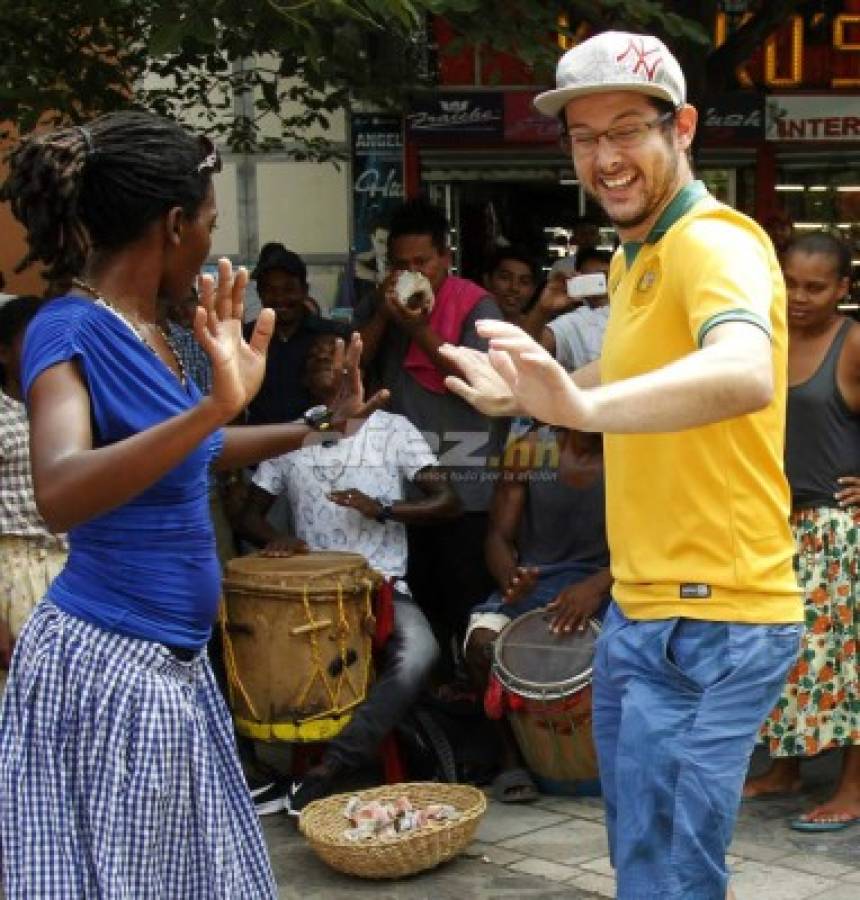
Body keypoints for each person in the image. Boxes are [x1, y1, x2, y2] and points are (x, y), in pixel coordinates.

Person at [439, 30, 803, 900]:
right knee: (644, 866)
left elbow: (745, 369)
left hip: (711, 618)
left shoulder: (713, 242)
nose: (603, 157)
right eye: (583, 136)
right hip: (651, 611)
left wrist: (581, 410)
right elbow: (628, 373)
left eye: (625, 129)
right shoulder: (641, 256)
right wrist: (532, 392)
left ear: (681, 127)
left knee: (671, 876)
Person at [0, 110, 385, 898]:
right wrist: (212, 407)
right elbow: (62, 488)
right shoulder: (66, 328)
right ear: (174, 225)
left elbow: (196, 452)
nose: (213, 244)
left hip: (172, 670)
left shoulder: (162, 333)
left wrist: (319, 426)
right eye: (209, 223)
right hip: (109, 669)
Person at [238, 332, 460, 815]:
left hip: (381, 585)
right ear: (302, 377)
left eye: (334, 356)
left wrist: (381, 508)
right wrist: (272, 538)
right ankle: (300, 772)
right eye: (314, 357)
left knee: (421, 653)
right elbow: (247, 514)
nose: (324, 363)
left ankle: (332, 766)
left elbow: (446, 501)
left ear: (357, 371)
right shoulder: (292, 435)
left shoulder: (393, 429)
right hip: (310, 595)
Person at [358, 198, 509, 673]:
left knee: (462, 593)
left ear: (445, 257)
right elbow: (355, 364)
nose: (412, 272)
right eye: (400, 264)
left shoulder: (475, 304)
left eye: (421, 262)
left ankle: (471, 694)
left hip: (466, 479)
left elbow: (477, 377)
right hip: (402, 482)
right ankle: (427, 693)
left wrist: (418, 329)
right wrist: (385, 315)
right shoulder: (383, 302)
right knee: (414, 593)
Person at [743, 232, 860, 831]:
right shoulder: (763, 339)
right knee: (783, 654)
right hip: (773, 523)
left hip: (835, 530)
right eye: (788, 282)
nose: (798, 296)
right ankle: (786, 767)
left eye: (815, 286)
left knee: (844, 661)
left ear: (844, 289)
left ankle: (853, 786)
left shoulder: (853, 342)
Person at [465, 422, 610, 802]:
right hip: (535, 582)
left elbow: (653, 540)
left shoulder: (637, 452)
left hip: (611, 584)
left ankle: (614, 760)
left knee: (636, 650)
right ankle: (511, 761)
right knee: (482, 643)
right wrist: (510, 579)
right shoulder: (528, 451)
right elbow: (497, 536)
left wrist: (595, 587)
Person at [0, 296, 67, 695]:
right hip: (15, 577)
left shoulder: (67, 408)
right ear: (4, 353)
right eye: (34, 340)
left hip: (69, 573)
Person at [244, 242, 348, 426]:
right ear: (260, 293)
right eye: (270, 290)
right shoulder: (246, 339)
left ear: (304, 291)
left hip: (316, 441)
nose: (280, 298)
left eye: (289, 289)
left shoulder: (331, 337)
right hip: (261, 445)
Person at [522, 247, 612, 368]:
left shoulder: (641, 310)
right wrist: (542, 309)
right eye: (589, 278)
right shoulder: (577, 321)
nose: (600, 283)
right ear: (577, 279)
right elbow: (527, 349)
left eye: (605, 276)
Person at [482, 246, 540, 326]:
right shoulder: (469, 324)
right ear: (487, 280)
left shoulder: (538, 332)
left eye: (524, 282)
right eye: (505, 277)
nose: (514, 288)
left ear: (533, 290)